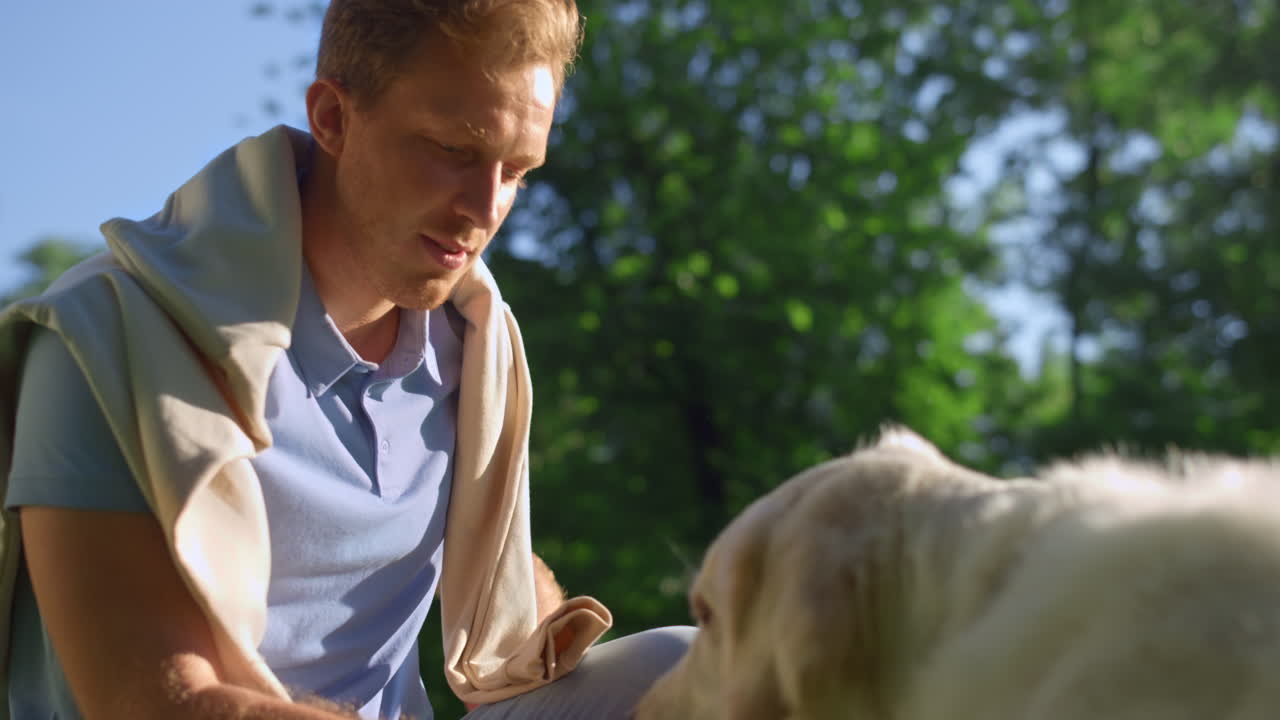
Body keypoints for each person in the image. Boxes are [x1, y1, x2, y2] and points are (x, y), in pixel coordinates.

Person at [0, 1, 693, 719]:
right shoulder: (107, 334)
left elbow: (494, 578)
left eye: (516, 170)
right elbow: (153, 702)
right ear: (332, 118)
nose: (486, 208)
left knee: (685, 668)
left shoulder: (476, 343)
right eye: (454, 150)